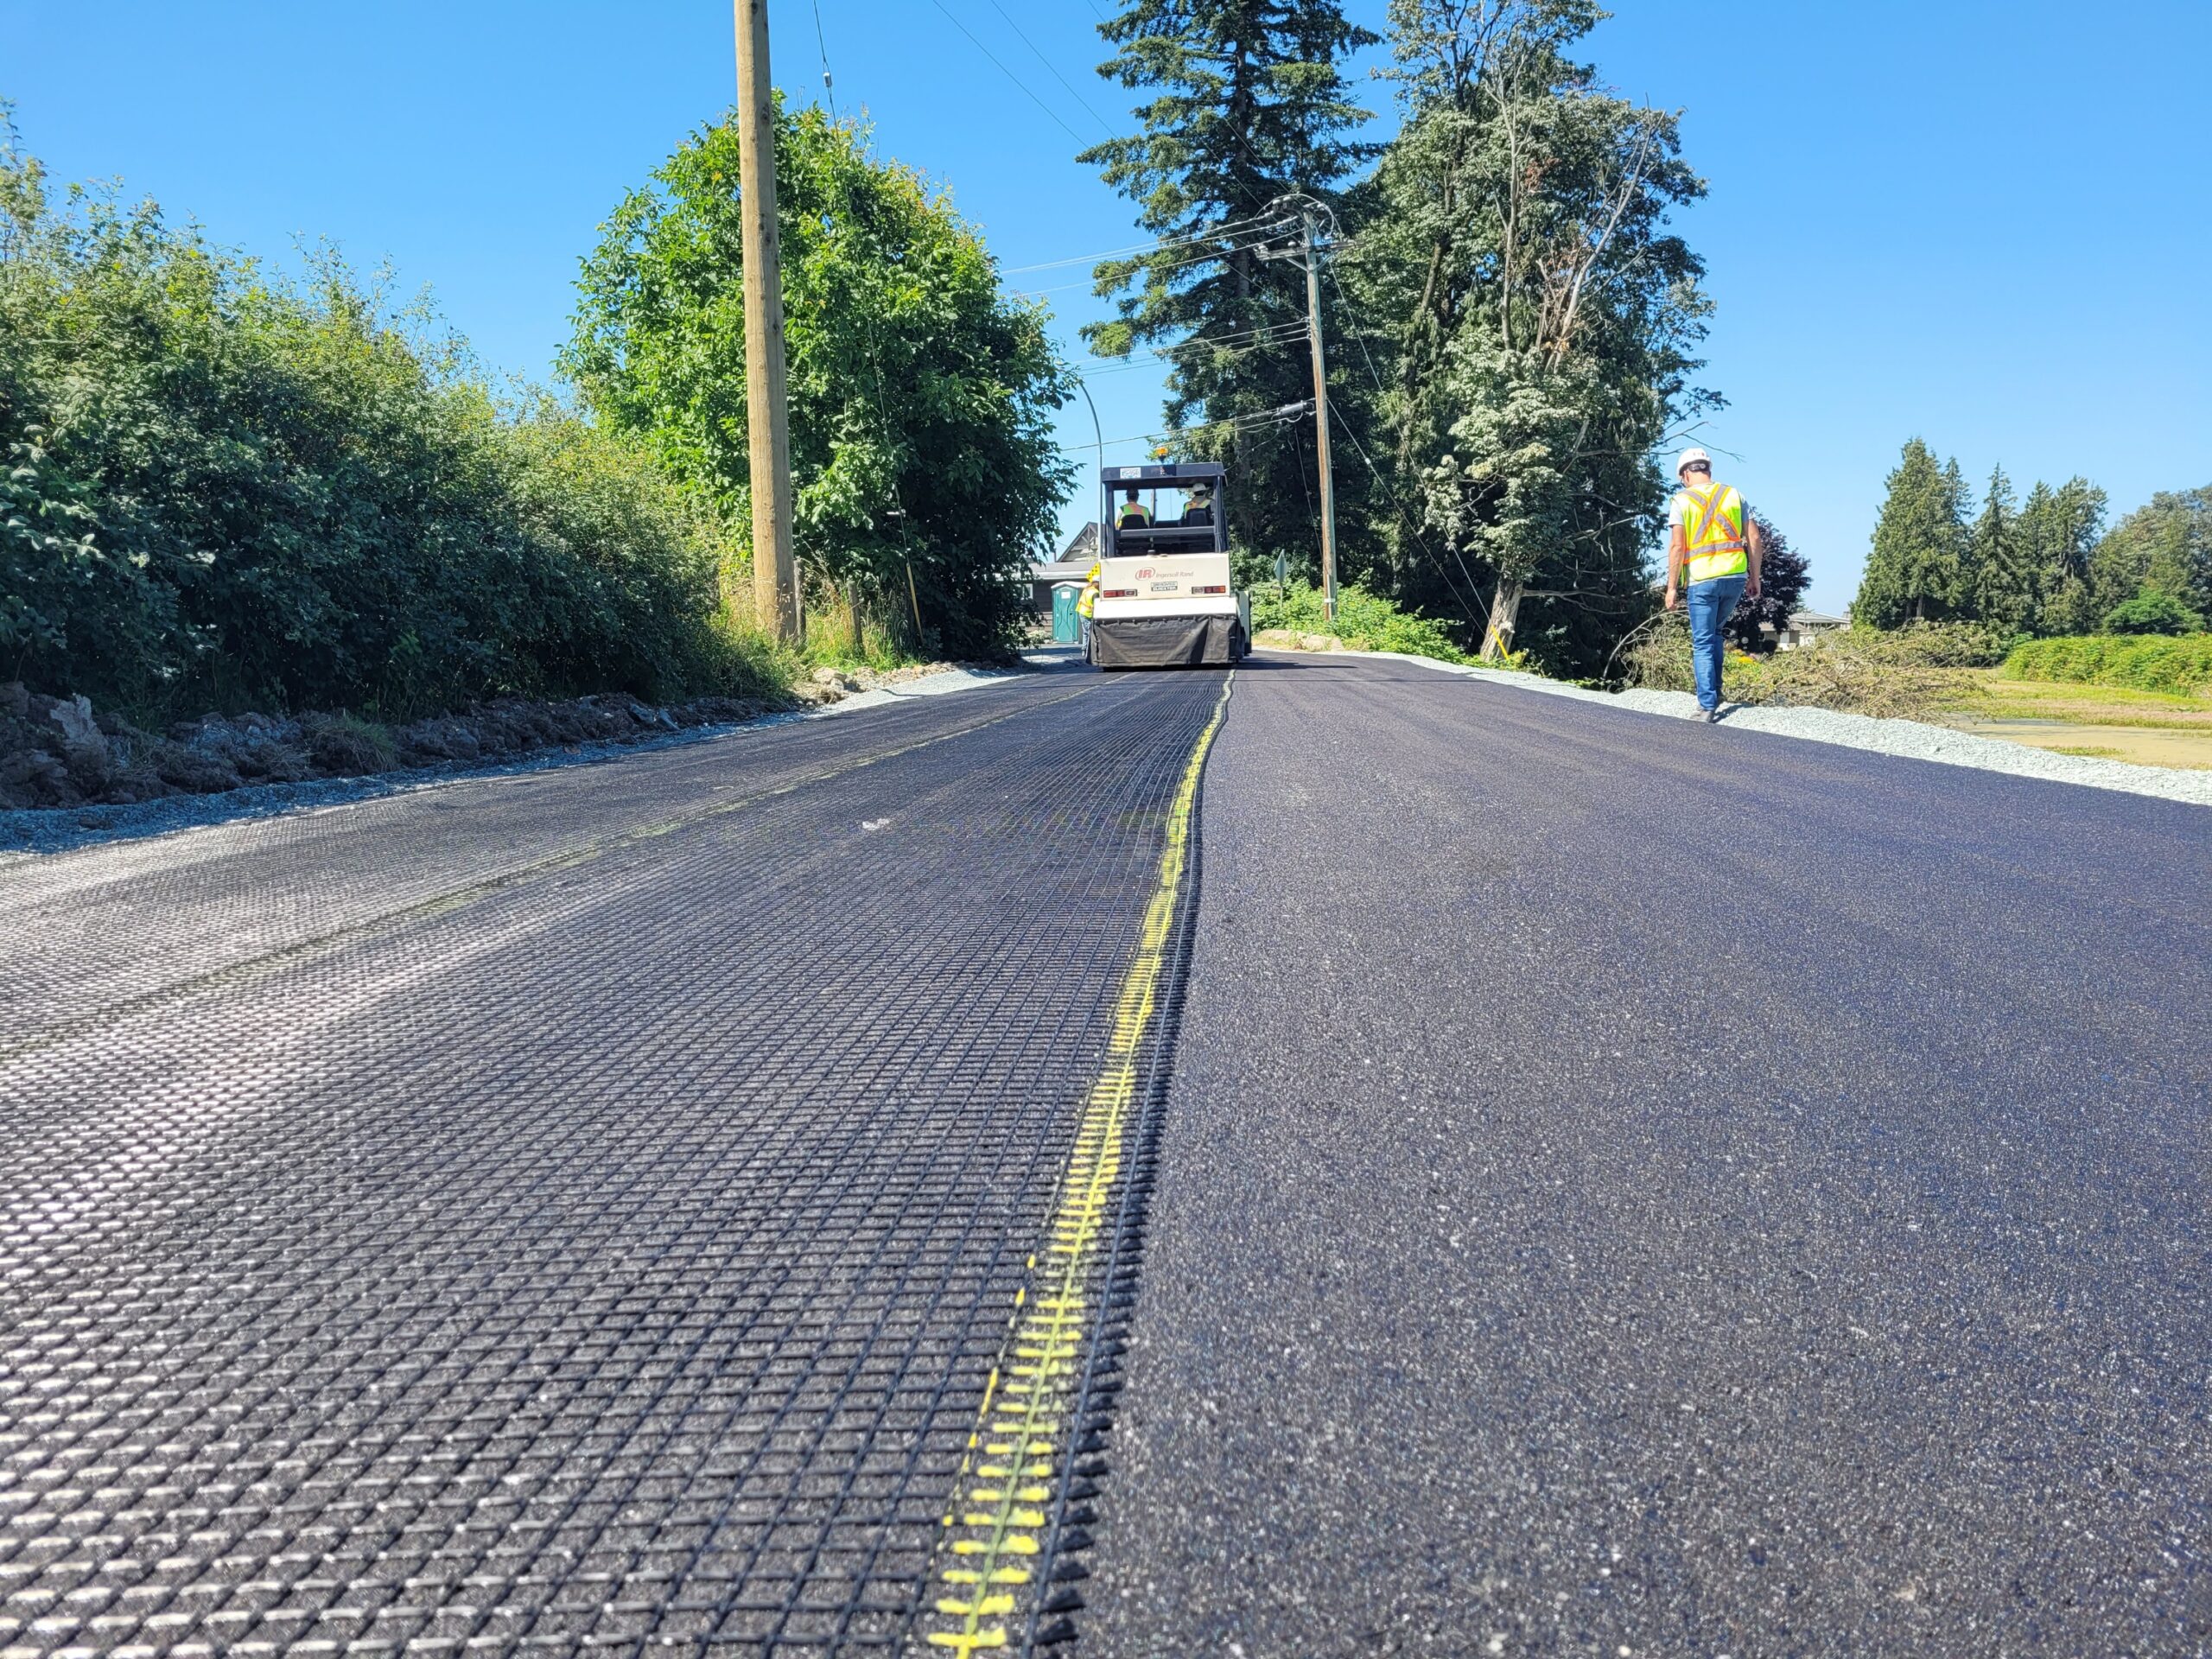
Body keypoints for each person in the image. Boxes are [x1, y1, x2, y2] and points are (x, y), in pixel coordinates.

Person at [1664, 447, 1764, 722]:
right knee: (1716, 633)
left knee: (1703, 641)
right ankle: (1716, 692)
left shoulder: (1681, 500)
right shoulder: (1734, 494)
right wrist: (1754, 577)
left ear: (1685, 475)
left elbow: (1677, 546)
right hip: (1735, 577)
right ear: (1708, 469)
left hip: (1703, 580)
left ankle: (1707, 705)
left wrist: (1671, 588)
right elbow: (1754, 538)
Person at [1077, 559, 1101, 662]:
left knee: (1085, 633)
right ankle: (1088, 653)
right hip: (1088, 614)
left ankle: (1084, 650)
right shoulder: (1095, 593)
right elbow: (1096, 606)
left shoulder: (1087, 589)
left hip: (1081, 612)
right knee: (1090, 633)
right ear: (1097, 583)